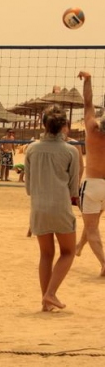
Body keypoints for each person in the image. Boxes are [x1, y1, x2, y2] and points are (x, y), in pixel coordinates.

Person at [25, 105, 80, 311]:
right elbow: (73, 188)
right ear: (64, 125)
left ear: (43, 124)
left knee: (46, 254)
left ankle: (45, 303)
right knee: (68, 252)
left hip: (38, 206)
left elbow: (29, 187)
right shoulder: (71, 151)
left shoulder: (32, 148)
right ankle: (50, 293)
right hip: (60, 205)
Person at [75, 71, 105, 276]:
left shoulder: (93, 127)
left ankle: (104, 263)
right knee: (92, 222)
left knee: (92, 227)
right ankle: (79, 246)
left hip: (93, 184)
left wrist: (88, 80)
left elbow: (87, 103)